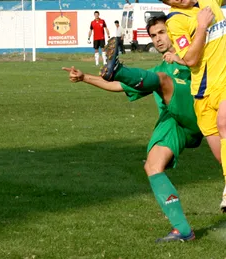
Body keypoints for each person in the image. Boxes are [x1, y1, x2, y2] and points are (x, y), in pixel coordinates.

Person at [63, 16, 202, 243]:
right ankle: (183, 230)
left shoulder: (191, 54)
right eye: (153, 36)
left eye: (161, 33)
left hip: (195, 112)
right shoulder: (156, 71)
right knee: (152, 166)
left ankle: (118, 68)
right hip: (173, 122)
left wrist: (182, 58)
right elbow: (117, 86)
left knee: (163, 79)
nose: (158, 39)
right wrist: (84, 77)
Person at [157, 0, 226, 214]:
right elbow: (191, 59)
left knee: (224, 122)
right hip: (203, 90)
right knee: (224, 159)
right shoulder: (175, 22)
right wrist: (201, 26)